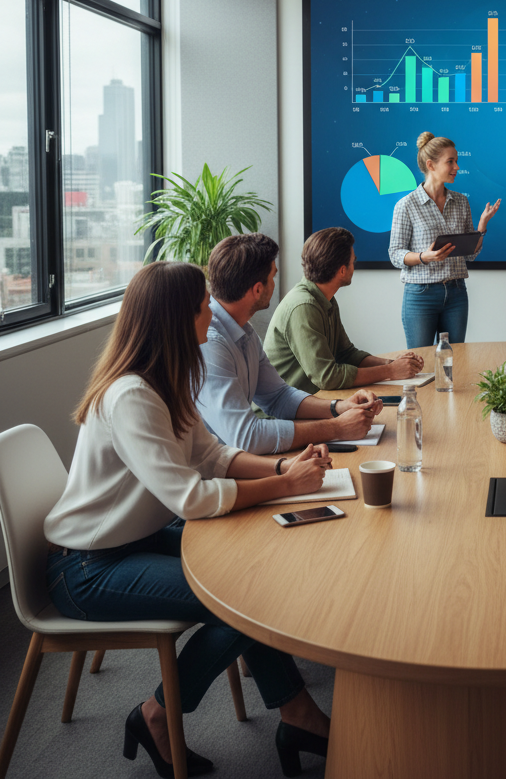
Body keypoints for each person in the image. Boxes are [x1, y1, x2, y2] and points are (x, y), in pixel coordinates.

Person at [44, 261, 337, 778]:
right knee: (242, 597)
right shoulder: (131, 396)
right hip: (88, 568)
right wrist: (285, 486)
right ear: (178, 319)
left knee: (255, 570)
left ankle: (298, 716)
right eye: (204, 306)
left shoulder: (167, 380)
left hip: (137, 538)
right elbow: (192, 498)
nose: (211, 313)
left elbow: (214, 456)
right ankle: (157, 715)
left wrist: (283, 468)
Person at [197, 233, 382, 455]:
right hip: (219, 466)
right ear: (258, 289)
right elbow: (247, 437)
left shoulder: (244, 330)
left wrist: (339, 407)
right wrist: (337, 427)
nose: (275, 284)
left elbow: (278, 396)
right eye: (273, 277)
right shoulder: (210, 343)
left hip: (240, 456)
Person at [265, 227, 423, 393]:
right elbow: (327, 377)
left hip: (312, 398)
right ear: (342, 270)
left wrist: (392, 364)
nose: (354, 266)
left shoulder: (325, 298)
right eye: (353, 261)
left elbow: (346, 353)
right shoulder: (303, 307)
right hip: (285, 406)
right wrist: (389, 371)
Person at [388, 132, 501, 348]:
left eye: (456, 161)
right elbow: (395, 254)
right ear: (431, 165)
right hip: (421, 295)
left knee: (454, 360)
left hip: (457, 293)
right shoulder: (406, 205)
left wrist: (482, 226)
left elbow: (470, 254)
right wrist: (424, 257)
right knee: (421, 360)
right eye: (451, 161)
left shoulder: (461, 201)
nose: (456, 167)